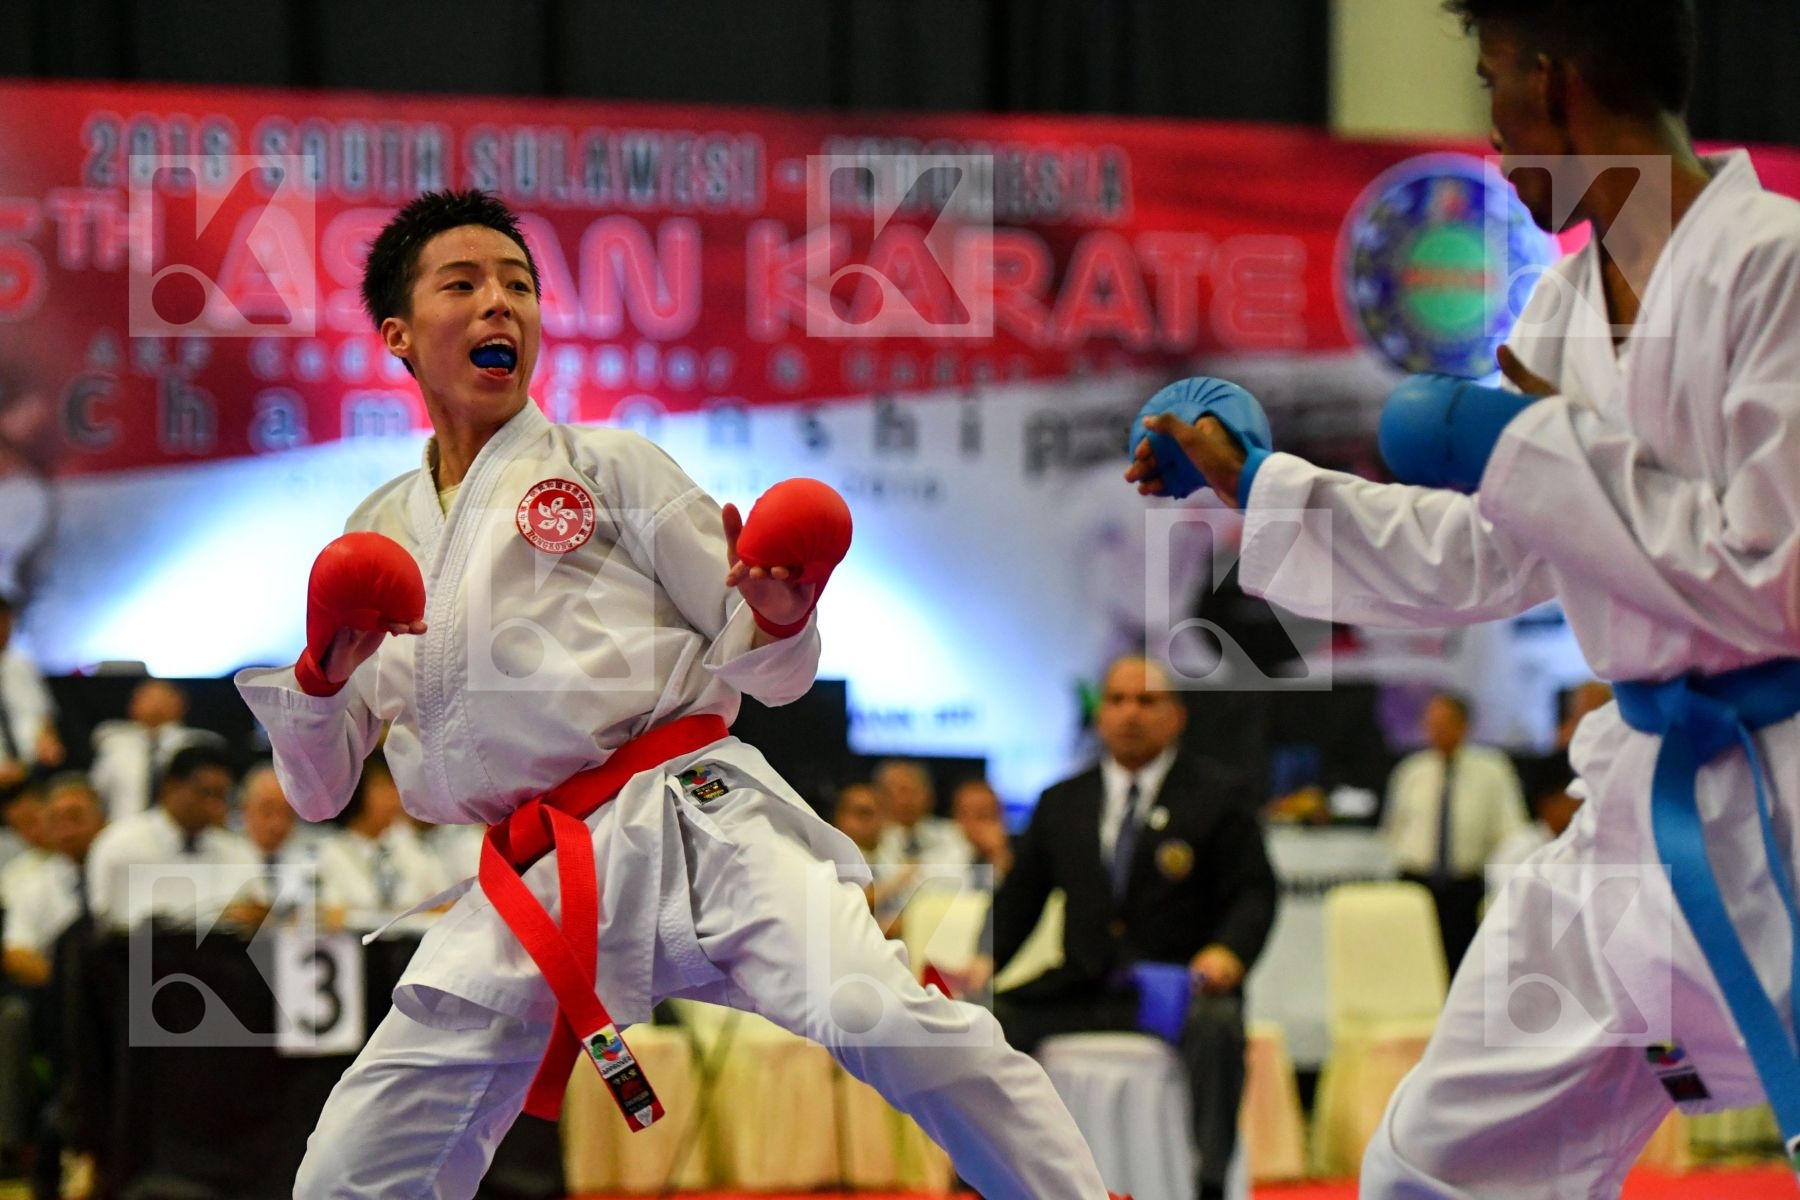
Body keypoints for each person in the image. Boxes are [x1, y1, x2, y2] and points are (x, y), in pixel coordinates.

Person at [233, 190, 1115, 1200]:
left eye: (518, 286)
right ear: (397, 332)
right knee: (358, 1158)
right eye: (464, 285)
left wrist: (781, 612)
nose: (499, 306)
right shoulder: (377, 530)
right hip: (539, 877)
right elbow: (317, 789)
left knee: (888, 1018)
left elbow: (767, 669)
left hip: (695, 820)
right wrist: (322, 676)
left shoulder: (612, 465)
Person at [1126, 1, 1800, 1193]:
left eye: (1492, 83)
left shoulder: (1775, 270)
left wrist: (1531, 445)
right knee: (1428, 1170)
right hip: (1631, 813)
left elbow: (1768, 573)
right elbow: (1491, 554)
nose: (1492, 127)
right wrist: (1264, 487)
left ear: (1552, 82)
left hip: (1783, 791)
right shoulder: (1563, 309)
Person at [989, 656, 1277, 1200]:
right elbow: (1019, 902)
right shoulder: (1062, 801)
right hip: (1083, 986)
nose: (1130, 714)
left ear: (1176, 716)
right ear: (1100, 715)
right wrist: (985, 962)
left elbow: (1254, 891)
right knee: (989, 1021)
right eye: (1117, 701)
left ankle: (1209, 1178)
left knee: (1218, 1025)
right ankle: (987, 1175)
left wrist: (1227, 953)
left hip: (1177, 989)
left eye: (1147, 701)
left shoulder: (1218, 795)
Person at [1381, 691, 1528, 970]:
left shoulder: (1492, 769)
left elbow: (1511, 831)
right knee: (1413, 964)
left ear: (1463, 725)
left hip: (1466, 886)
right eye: (1431, 723)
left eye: (1445, 722)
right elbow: (1393, 828)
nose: (1437, 730)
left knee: (1462, 965)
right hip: (1416, 882)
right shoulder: (1411, 771)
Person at [83, 743, 261, 929]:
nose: (213, 806)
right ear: (171, 786)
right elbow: (103, 919)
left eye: (221, 796)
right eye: (206, 793)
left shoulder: (238, 852)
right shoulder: (119, 845)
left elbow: (260, 914)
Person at [88, 679, 221, 821]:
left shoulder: (200, 744)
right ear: (132, 705)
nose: (153, 704)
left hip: (181, 831)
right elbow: (96, 794)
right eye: (146, 698)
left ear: (180, 703)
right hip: (123, 830)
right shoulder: (112, 743)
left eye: (160, 697)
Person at [0, 596, 62, 801]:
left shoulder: (21, 663)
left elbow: (44, 714)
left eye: (8, 623)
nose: (4, 631)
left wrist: (47, 739)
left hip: (32, 769)